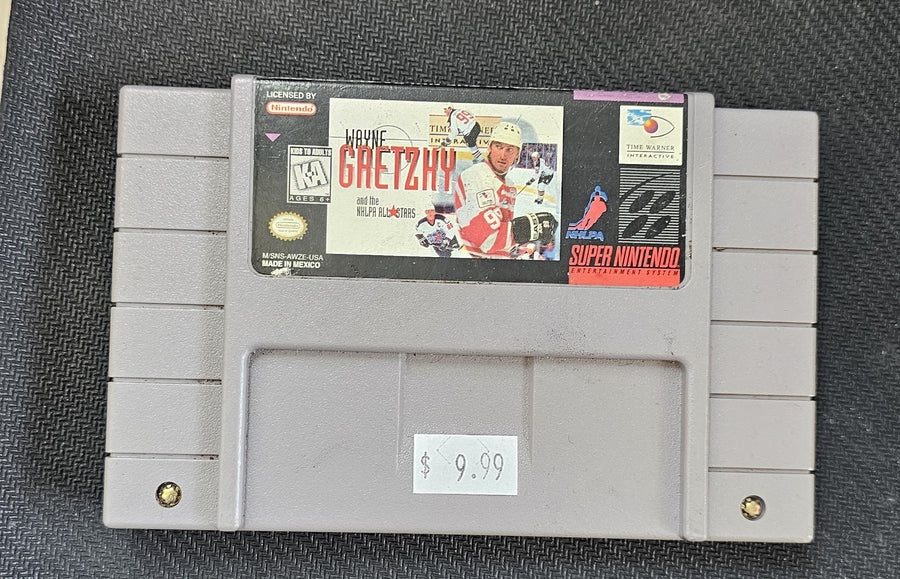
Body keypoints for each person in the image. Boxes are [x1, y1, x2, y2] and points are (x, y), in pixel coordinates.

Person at [453, 121, 558, 258]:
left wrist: (522, 249)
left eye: (509, 150)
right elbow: (487, 238)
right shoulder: (475, 175)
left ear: (517, 154)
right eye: (498, 147)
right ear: (489, 147)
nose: (503, 155)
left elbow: (504, 239)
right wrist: (530, 227)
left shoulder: (510, 185)